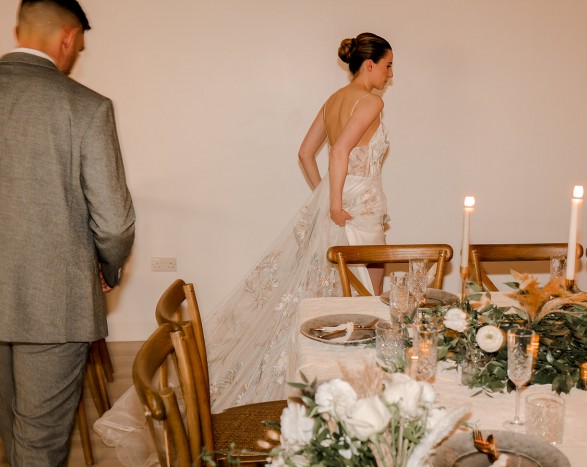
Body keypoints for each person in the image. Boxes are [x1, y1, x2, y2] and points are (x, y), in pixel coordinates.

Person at [93, 33, 392, 465]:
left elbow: (306, 153)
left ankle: (338, 400)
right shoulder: (372, 102)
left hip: (340, 206)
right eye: (387, 65)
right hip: (358, 213)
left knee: (324, 301)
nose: (389, 74)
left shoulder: (332, 100)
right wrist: (334, 203)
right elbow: (339, 152)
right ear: (369, 66)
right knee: (367, 306)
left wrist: (325, 198)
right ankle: (354, 408)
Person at [0, 0, 136, 465]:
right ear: (68, 37)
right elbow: (115, 222)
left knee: (8, 434)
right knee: (37, 443)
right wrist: (107, 267)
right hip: (52, 301)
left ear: (19, 30)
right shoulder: (86, 107)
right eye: (80, 40)